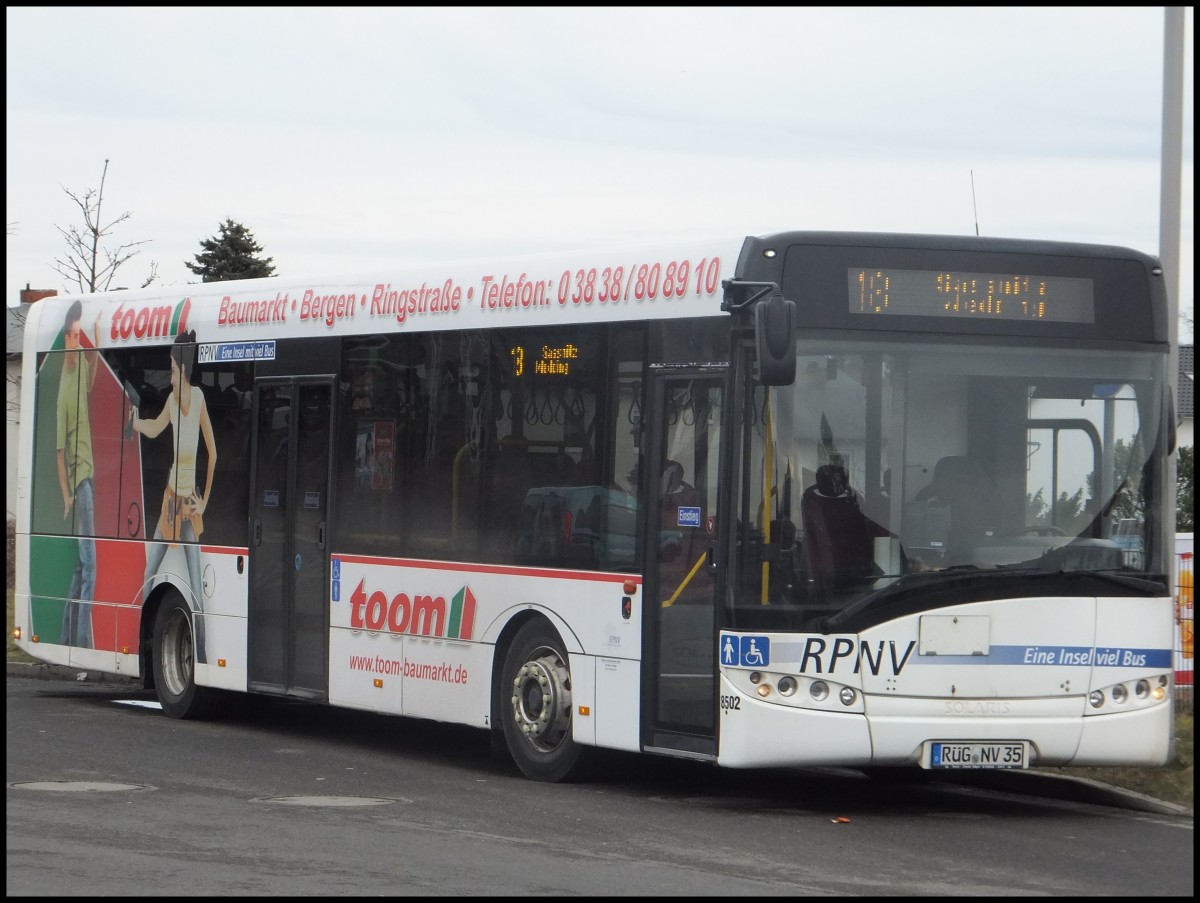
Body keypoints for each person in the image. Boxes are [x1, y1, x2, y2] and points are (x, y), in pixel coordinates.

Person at [132, 330, 216, 664]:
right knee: (149, 573)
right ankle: (135, 644)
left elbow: (213, 453)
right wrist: (136, 422)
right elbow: (154, 429)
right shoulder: (170, 401)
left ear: (182, 369)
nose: (168, 375)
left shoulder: (197, 399)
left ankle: (203, 657)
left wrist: (205, 501)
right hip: (170, 500)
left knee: (195, 590)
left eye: (170, 368)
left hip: (187, 504)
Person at [57, 300, 101, 648]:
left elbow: (92, 375)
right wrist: (67, 493)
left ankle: (66, 638)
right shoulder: (61, 393)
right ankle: (85, 646)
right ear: (64, 340)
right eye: (73, 336)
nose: (78, 340)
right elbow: (59, 451)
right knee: (91, 565)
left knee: (79, 566)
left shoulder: (79, 371)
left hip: (90, 476)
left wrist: (97, 344)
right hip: (80, 482)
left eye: (79, 335)